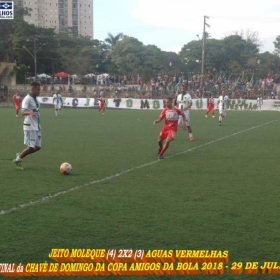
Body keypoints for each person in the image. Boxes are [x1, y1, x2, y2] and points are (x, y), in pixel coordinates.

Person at [13, 81, 42, 170]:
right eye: (38, 90)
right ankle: (17, 160)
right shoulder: (27, 99)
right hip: (29, 126)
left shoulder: (35, 99)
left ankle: (21, 154)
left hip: (37, 126)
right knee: (31, 147)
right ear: (32, 89)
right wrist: (30, 113)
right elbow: (22, 112)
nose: (39, 91)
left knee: (38, 147)